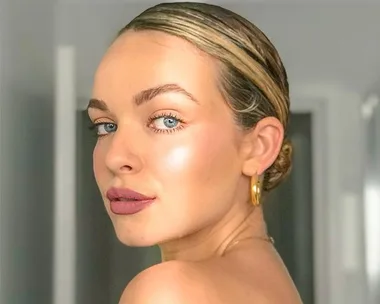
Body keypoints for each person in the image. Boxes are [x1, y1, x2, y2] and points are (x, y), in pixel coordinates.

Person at [87, 2, 301, 303]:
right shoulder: (269, 280)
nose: (115, 157)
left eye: (167, 120)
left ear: (259, 146)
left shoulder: (168, 292)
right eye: (106, 126)